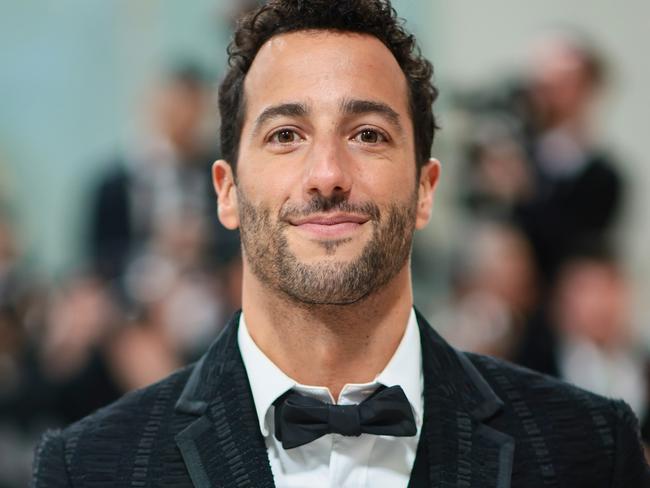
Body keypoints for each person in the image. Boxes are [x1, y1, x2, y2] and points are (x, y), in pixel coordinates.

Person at [32, 1, 649, 486]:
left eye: (369, 134)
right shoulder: (87, 468)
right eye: (285, 135)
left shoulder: (591, 448)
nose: (327, 173)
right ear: (226, 191)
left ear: (426, 189)